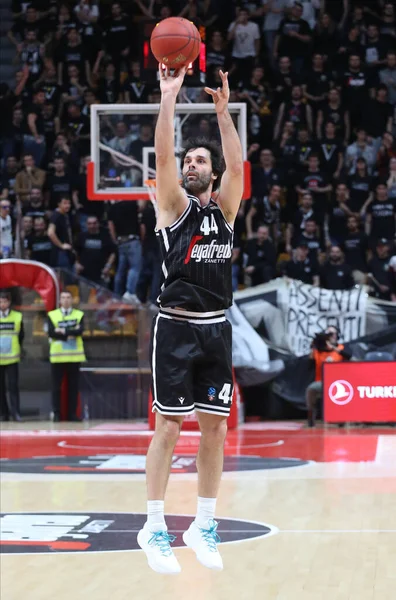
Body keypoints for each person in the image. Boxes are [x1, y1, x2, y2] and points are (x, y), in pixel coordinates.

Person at [137, 66, 243, 574]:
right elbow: (161, 154)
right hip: (176, 327)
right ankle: (154, 524)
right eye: (188, 160)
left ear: (213, 173)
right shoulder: (173, 206)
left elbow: (240, 167)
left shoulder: (225, 210)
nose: (192, 163)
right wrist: (169, 97)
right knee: (170, 425)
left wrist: (223, 113)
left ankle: (204, 523)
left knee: (216, 431)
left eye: (201, 159)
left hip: (218, 328)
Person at [47, 290, 86, 422]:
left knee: (73, 387)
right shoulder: (52, 315)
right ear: (59, 301)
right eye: (63, 298)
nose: (66, 300)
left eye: (68, 297)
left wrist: (62, 331)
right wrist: (70, 332)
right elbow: (52, 333)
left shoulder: (79, 314)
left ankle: (72, 414)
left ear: (72, 300)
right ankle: (57, 413)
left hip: (74, 357)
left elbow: (80, 331)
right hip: (57, 357)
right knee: (56, 387)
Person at [306, 326, 351, 427]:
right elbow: (308, 366)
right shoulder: (318, 351)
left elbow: (349, 355)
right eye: (328, 334)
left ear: (337, 336)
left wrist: (332, 346)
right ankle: (311, 415)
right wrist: (312, 348)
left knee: (342, 391)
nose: (330, 336)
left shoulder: (341, 348)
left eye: (332, 334)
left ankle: (341, 419)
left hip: (338, 382)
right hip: (321, 383)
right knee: (311, 389)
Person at [0, 292, 24, 421]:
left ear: (9, 302)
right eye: (0, 302)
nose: (2, 304)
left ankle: (16, 413)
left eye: (4, 302)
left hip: (12, 357)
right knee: (1, 388)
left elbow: (21, 335)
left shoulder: (17, 316)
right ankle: (4, 413)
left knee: (13, 386)